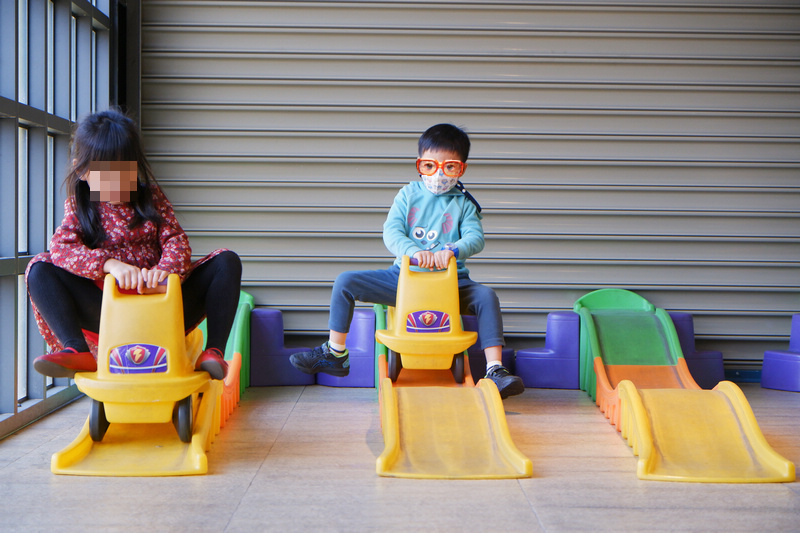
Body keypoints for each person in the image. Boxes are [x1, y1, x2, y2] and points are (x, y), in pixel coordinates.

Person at [290, 123, 524, 398]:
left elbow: (476, 238)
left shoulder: (464, 204)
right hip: (402, 281)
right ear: (419, 165)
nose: (439, 174)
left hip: (451, 285)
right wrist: (413, 251)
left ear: (461, 169)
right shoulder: (408, 194)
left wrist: (452, 250)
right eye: (430, 166)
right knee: (345, 282)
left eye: (449, 167)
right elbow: (392, 231)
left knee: (486, 296)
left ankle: (494, 369)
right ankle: (335, 352)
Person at [26, 108, 242, 380]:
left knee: (227, 261)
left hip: (163, 306)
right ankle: (76, 350)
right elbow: (62, 248)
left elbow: (176, 240)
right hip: (107, 311)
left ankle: (213, 352)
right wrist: (109, 265)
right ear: (82, 171)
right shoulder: (80, 206)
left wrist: (163, 271)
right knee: (40, 267)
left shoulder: (150, 197)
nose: (117, 184)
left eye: (125, 172)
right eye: (106, 174)